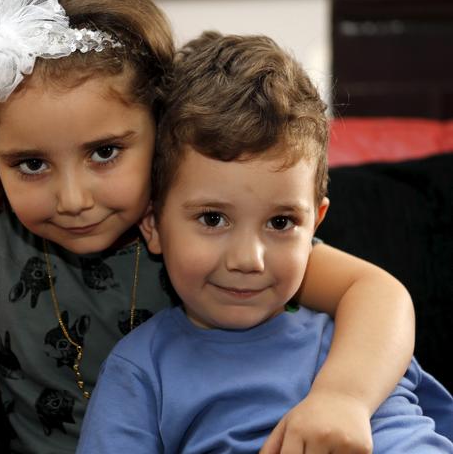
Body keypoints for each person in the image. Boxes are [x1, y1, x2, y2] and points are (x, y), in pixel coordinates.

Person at [0, 0, 417, 453]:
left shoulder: (205, 227)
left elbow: (376, 294)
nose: (73, 199)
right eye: (31, 164)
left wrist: (343, 396)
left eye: (104, 152)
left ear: (158, 127)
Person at [76, 32, 453, 453]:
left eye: (280, 222)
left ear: (315, 224)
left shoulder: (353, 344)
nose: (248, 259)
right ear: (154, 226)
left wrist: (341, 399)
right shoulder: (141, 371)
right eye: (213, 218)